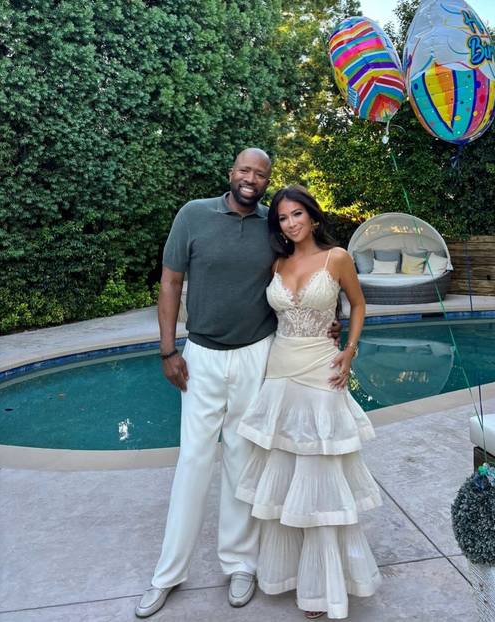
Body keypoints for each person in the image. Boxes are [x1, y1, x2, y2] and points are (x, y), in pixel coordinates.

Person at [135, 150, 341, 618]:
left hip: (257, 354)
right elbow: (170, 283)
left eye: (261, 174)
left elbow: (310, 273)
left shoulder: (275, 226)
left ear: (268, 180)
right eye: (245, 171)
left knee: (243, 463)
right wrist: (168, 350)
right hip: (201, 356)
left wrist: (330, 320)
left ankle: (240, 564)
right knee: (193, 461)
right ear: (231, 173)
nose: (251, 179)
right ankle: (167, 573)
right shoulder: (193, 215)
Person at [234, 185, 382, 619]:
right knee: (284, 476)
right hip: (279, 371)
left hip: (322, 369)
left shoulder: (337, 257)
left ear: (313, 217)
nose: (290, 223)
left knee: (319, 476)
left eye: (297, 214)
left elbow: (358, 305)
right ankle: (292, 574)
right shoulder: (276, 263)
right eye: (282, 218)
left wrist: (349, 350)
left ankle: (324, 588)